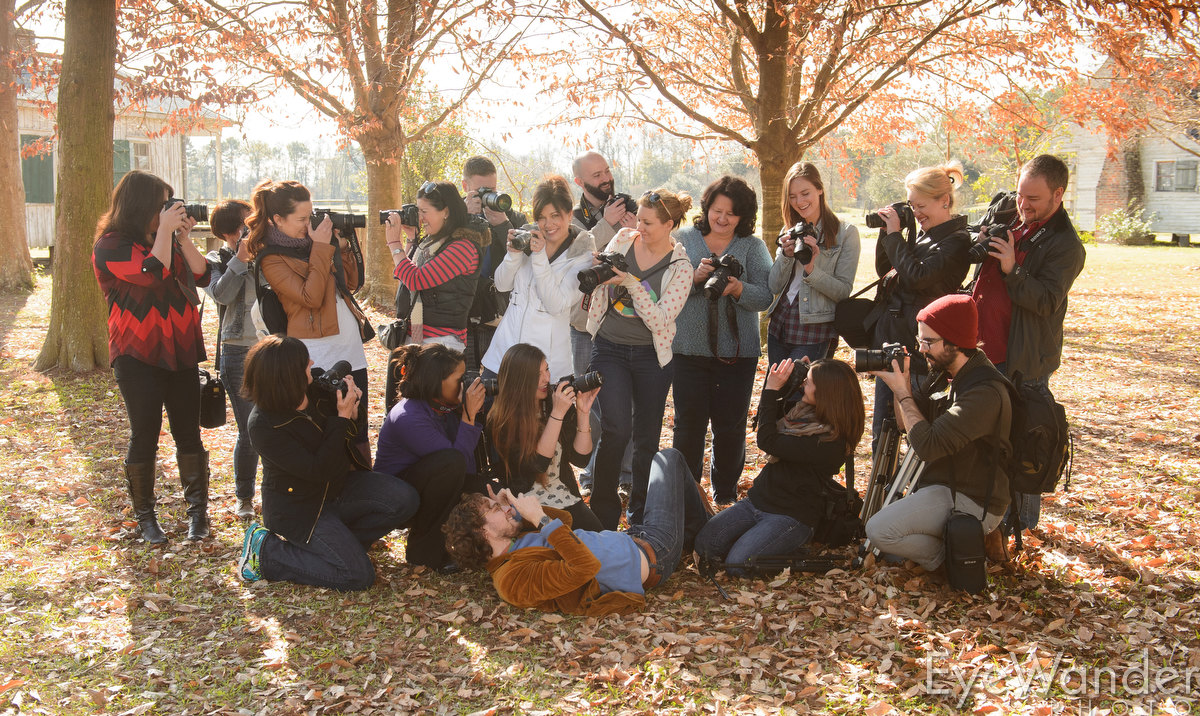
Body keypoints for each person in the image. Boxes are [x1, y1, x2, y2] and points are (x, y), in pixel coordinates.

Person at [236, 336, 418, 591]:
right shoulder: (263, 425)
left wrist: (353, 410)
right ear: (287, 375)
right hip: (301, 508)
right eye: (304, 362)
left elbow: (352, 434)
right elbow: (317, 470)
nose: (312, 362)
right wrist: (341, 419)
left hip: (339, 487)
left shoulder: (316, 385)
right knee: (358, 577)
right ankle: (268, 553)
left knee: (404, 499)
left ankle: (342, 547)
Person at [442, 447, 709, 616]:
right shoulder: (512, 581)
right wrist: (541, 521)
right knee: (667, 459)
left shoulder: (515, 541)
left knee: (668, 467)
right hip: (654, 555)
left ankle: (704, 537)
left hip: (634, 538)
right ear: (482, 531)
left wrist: (522, 514)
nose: (503, 508)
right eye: (494, 509)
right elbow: (584, 568)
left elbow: (566, 522)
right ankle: (707, 538)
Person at [92, 170, 212, 544]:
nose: (169, 209)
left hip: (180, 349)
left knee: (187, 432)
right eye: (163, 203)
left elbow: (203, 274)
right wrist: (163, 233)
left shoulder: (166, 240)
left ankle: (198, 515)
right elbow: (150, 273)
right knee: (145, 433)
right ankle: (146, 517)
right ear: (142, 204)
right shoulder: (110, 245)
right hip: (137, 353)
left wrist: (182, 237)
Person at [970, 154, 1085, 537]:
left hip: (1023, 359)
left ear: (1058, 194)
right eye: (1021, 194)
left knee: (1023, 440)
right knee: (986, 441)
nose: (1023, 204)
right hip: (984, 349)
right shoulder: (1009, 214)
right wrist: (982, 238)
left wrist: (1012, 270)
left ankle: (1021, 525)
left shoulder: (1066, 245)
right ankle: (987, 519)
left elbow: (1047, 300)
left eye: (1033, 198)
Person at [864, 294, 1012, 573]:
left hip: (974, 498)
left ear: (954, 342)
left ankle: (957, 555)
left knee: (879, 531)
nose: (921, 350)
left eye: (928, 342)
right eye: (920, 340)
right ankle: (955, 543)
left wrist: (902, 393)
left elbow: (927, 446)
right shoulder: (950, 370)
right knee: (885, 527)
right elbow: (906, 425)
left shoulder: (983, 393)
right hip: (946, 482)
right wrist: (903, 383)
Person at [694, 358, 864, 575]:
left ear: (825, 392)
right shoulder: (801, 413)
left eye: (808, 382)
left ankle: (793, 549)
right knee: (705, 546)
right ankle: (758, 540)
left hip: (790, 516)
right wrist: (787, 384)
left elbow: (768, 440)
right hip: (757, 502)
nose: (803, 384)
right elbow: (771, 415)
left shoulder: (830, 442)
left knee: (738, 564)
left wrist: (770, 389)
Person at [585, 188, 693, 529]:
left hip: (651, 357)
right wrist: (600, 271)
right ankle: (601, 517)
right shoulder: (622, 239)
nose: (638, 227)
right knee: (616, 429)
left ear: (669, 225)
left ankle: (640, 518)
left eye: (647, 222)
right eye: (639, 219)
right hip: (610, 346)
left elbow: (661, 320)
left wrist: (631, 282)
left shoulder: (681, 267)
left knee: (647, 438)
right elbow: (603, 282)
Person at [246, 180, 372, 460]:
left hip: (350, 350)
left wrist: (342, 247)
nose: (308, 223)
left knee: (358, 430)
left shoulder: (317, 245)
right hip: (315, 356)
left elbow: (350, 283)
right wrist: (320, 248)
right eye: (301, 218)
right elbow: (310, 297)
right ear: (277, 219)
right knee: (329, 429)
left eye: (310, 215)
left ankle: (364, 491)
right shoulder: (271, 258)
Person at [671, 176, 773, 505]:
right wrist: (695, 278)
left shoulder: (753, 247)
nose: (723, 219)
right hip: (687, 352)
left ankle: (725, 496)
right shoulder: (684, 239)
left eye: (732, 214)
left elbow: (767, 297)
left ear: (743, 217)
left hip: (737, 356)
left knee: (729, 429)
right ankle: (687, 496)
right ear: (707, 208)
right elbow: (664, 292)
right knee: (689, 428)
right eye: (717, 210)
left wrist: (738, 289)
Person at [869, 162, 971, 448]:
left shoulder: (957, 241)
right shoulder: (924, 235)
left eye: (921, 206)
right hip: (895, 342)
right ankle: (882, 491)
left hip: (921, 350)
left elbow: (918, 278)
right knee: (883, 429)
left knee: (914, 430)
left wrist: (894, 238)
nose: (916, 214)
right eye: (912, 206)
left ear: (945, 201)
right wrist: (886, 233)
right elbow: (885, 269)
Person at [374, 343, 487, 570]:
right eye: (460, 379)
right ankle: (424, 552)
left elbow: (468, 471)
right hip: (397, 497)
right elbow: (457, 465)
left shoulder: (441, 406)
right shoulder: (409, 416)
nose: (465, 384)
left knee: (484, 487)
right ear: (437, 382)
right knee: (451, 463)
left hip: (424, 483)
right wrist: (468, 417)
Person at [481, 175, 596, 382]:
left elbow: (556, 305)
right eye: (541, 217)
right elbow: (501, 285)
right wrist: (513, 254)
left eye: (555, 215)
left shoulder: (582, 256)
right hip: (503, 356)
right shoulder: (528, 238)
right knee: (489, 413)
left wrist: (539, 256)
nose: (548, 224)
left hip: (545, 366)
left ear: (569, 214)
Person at [568, 150, 635, 496]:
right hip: (583, 326)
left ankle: (626, 475)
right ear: (580, 182)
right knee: (589, 399)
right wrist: (607, 224)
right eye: (596, 175)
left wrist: (634, 229)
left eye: (607, 170)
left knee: (625, 402)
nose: (605, 178)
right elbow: (577, 257)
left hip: (625, 321)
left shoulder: (629, 207)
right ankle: (593, 473)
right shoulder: (573, 217)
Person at [486, 343, 603, 531]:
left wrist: (582, 412)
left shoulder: (552, 401)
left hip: (566, 496)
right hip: (528, 507)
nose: (546, 378)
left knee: (603, 541)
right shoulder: (502, 419)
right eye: (537, 375)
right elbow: (537, 464)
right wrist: (557, 414)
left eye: (546, 369)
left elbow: (581, 459)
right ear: (519, 380)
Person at [766, 162, 861, 366]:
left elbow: (843, 291)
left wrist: (810, 268)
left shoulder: (845, 233)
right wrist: (785, 255)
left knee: (801, 394)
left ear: (819, 189)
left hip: (815, 329)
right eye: (792, 196)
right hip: (780, 324)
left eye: (805, 193)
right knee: (773, 394)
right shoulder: (789, 229)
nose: (799, 201)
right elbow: (773, 286)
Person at [384, 181, 487, 354]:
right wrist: (411, 239)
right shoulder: (435, 242)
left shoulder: (463, 248)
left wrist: (394, 243)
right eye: (418, 211)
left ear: (446, 212)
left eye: (424, 211)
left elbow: (416, 280)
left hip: (442, 347)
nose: (420, 217)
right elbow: (406, 275)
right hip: (420, 340)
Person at [204, 199, 258, 519]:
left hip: (271, 347)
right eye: (242, 225)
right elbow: (222, 294)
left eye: (251, 223)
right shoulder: (217, 258)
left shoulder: (267, 252)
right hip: (237, 350)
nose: (247, 230)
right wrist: (240, 258)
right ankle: (245, 496)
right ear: (226, 231)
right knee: (250, 430)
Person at [461, 156, 529, 371]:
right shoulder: (451, 217)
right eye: (481, 191)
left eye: (492, 189)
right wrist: (464, 219)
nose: (488, 196)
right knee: (465, 382)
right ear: (465, 186)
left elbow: (528, 256)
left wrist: (502, 224)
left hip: (502, 317)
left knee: (501, 382)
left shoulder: (514, 218)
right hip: (465, 314)